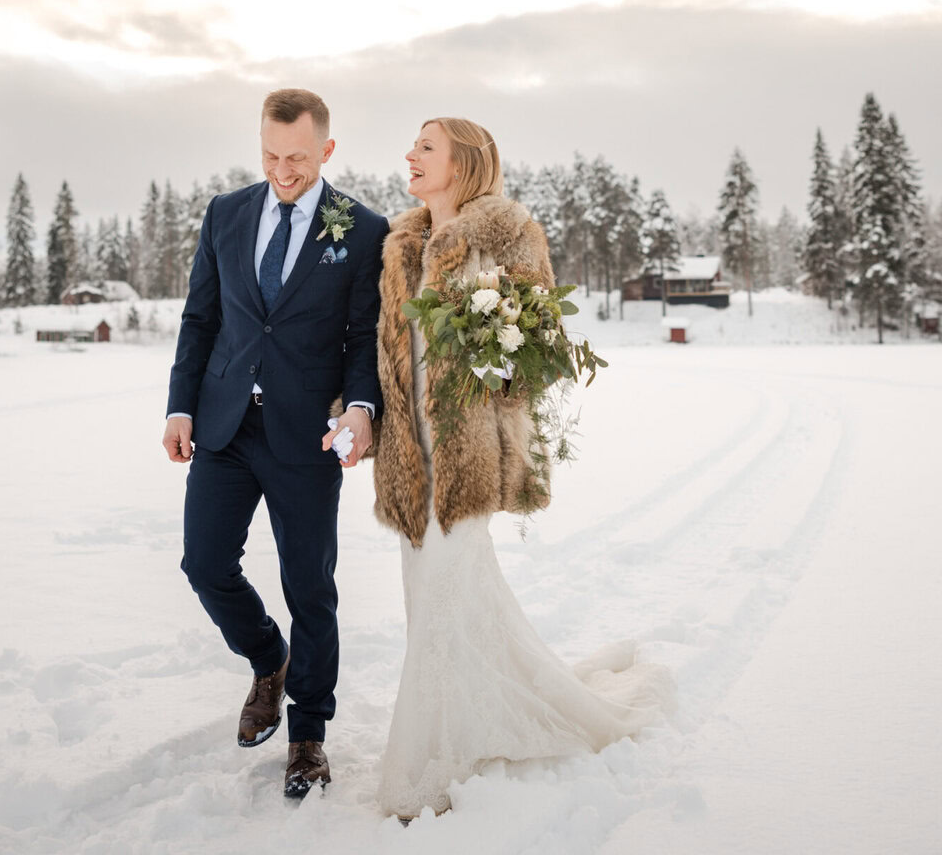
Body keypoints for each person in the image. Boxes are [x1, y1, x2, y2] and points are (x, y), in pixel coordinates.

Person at [369, 116, 674, 820]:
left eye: (425, 147)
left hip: (469, 451)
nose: (409, 157)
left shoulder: (506, 232)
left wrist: (490, 343)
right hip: (406, 453)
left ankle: (422, 771)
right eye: (412, 146)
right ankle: (477, 719)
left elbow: (542, 350)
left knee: (446, 596)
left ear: (464, 162)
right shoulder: (398, 245)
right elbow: (381, 346)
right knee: (437, 604)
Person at [162, 88, 389, 799]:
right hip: (225, 424)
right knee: (204, 564)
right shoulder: (226, 213)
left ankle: (308, 736)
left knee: (310, 588)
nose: (281, 170)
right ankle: (269, 659)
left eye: (295, 157)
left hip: (305, 437)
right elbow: (201, 318)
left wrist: (359, 409)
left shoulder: (362, 228)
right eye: (268, 154)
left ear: (325, 149)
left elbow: (362, 341)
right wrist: (179, 407)